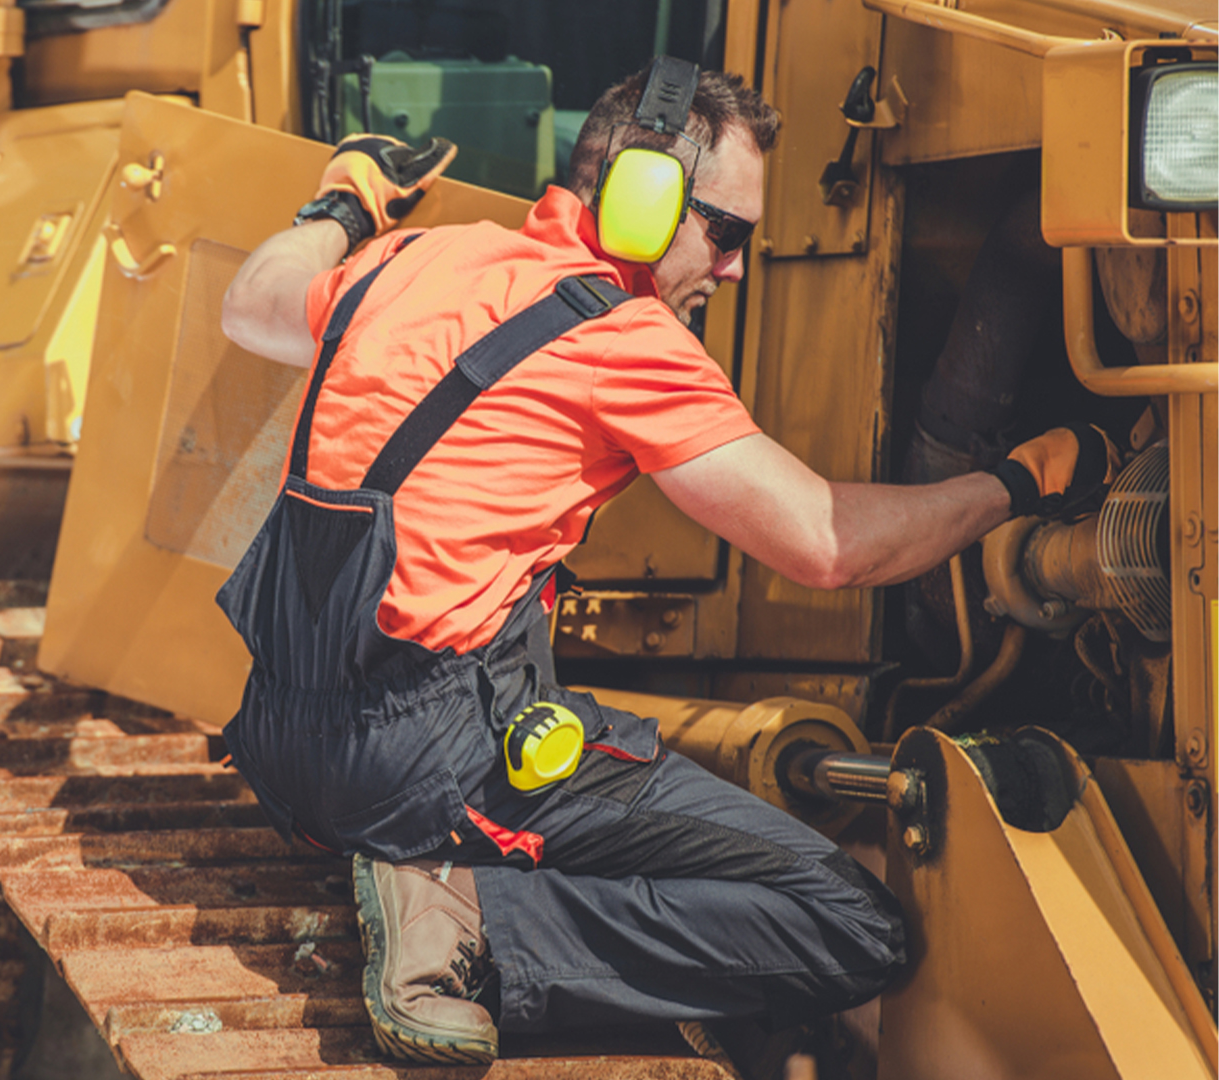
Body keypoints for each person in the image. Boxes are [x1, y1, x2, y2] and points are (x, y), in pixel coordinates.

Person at [215, 57, 1116, 1065]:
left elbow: (253, 300)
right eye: (724, 231)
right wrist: (1022, 484)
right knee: (849, 923)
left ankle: (441, 879)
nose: (732, 269)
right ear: (644, 200)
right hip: (425, 769)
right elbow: (831, 545)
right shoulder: (624, 339)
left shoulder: (414, 259)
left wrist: (347, 198)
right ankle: (462, 921)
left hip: (281, 745)